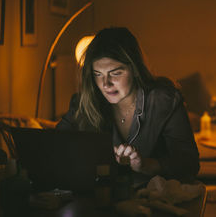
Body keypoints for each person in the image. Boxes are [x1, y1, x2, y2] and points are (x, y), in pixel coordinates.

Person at [56, 27, 200, 187]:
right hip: (101, 199)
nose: (106, 84)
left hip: (154, 201)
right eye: (98, 74)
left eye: (115, 73)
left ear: (135, 69)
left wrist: (145, 165)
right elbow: (53, 146)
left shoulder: (164, 100)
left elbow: (189, 164)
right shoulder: (82, 103)